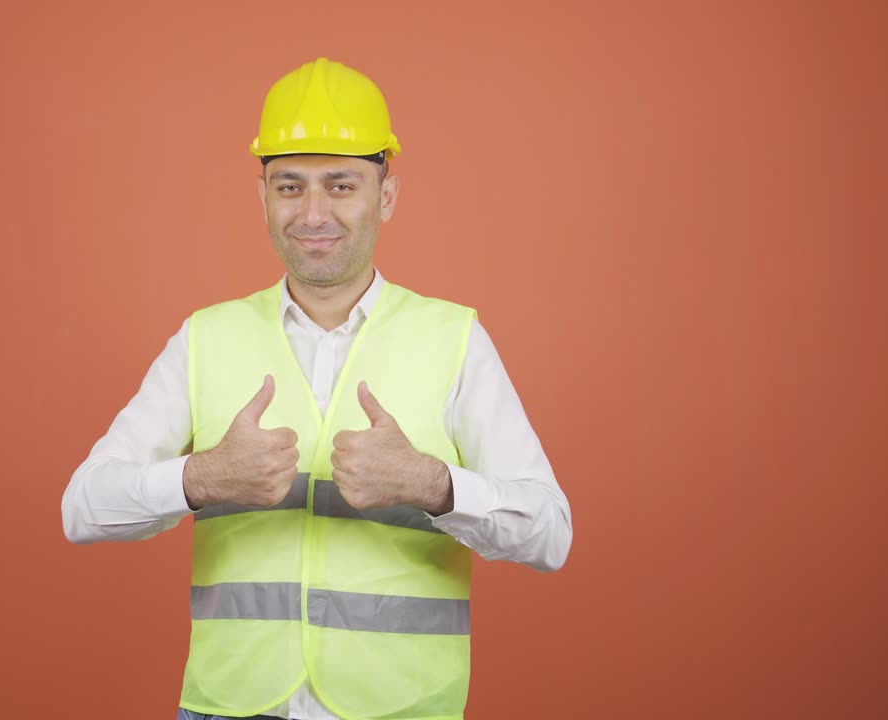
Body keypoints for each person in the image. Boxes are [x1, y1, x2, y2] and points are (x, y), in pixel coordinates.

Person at [62, 57, 573, 720]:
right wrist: (202, 476)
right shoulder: (205, 338)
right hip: (231, 708)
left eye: (340, 185)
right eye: (289, 186)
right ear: (262, 197)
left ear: (385, 196)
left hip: (402, 709)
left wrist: (433, 485)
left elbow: (550, 535)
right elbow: (83, 509)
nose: (312, 212)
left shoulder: (455, 340)